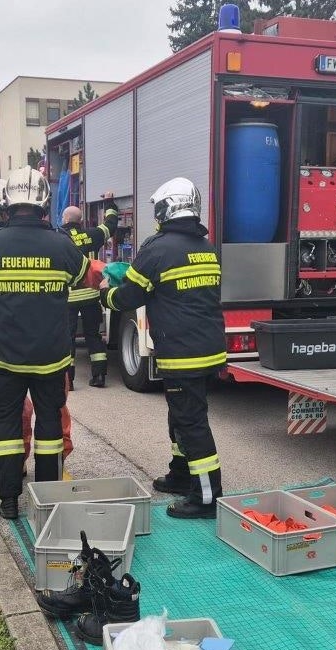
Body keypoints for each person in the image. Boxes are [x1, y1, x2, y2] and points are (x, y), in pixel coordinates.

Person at [0, 166, 87, 520]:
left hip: (6, 357)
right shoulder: (63, 245)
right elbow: (79, 278)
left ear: (7, 202)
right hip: (51, 357)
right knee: (50, 421)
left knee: (7, 421)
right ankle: (47, 497)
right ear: (44, 203)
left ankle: (8, 496)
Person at [100, 178, 225, 519]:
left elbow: (130, 296)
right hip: (207, 347)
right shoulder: (206, 247)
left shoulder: (157, 249)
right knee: (181, 416)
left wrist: (105, 294)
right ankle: (181, 474)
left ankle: (207, 497)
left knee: (191, 422)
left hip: (182, 352)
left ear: (166, 209)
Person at [60, 199, 118, 389]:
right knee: (93, 335)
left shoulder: (59, 238)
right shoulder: (92, 234)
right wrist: (110, 203)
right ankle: (99, 376)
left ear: (66, 218)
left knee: (67, 338)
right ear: (80, 220)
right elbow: (111, 225)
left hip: (67, 297)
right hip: (91, 294)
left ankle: (69, 381)